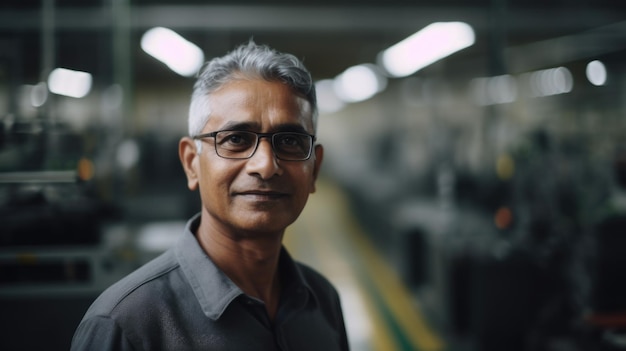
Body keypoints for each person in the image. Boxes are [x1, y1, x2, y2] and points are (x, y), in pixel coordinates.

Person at [71, 41, 349, 351]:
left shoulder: (322, 302)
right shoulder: (127, 325)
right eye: (236, 139)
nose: (266, 165)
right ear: (191, 162)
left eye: (290, 141)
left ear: (314, 169)